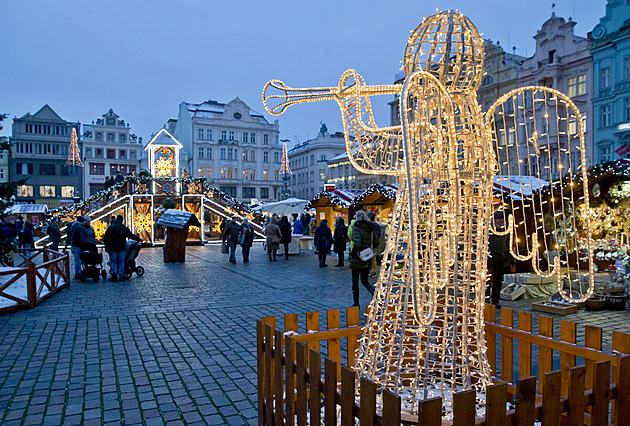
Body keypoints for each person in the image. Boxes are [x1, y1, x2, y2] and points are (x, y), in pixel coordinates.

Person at [349, 210, 378, 307]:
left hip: (357, 258)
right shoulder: (370, 229)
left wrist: (352, 253)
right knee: (365, 281)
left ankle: (356, 303)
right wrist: (368, 249)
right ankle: (376, 295)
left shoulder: (357, 228)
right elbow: (376, 242)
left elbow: (357, 244)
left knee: (355, 282)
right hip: (367, 258)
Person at [103, 215, 141, 281]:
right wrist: (139, 239)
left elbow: (106, 238)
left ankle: (114, 275)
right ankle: (121, 275)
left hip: (113, 247)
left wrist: (107, 246)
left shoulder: (111, 228)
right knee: (121, 262)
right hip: (122, 247)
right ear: (122, 220)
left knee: (113, 261)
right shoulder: (124, 228)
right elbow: (130, 235)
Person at [488, 211, 513, 308]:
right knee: (487, 279)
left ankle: (495, 299)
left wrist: (509, 255)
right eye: (498, 218)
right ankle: (485, 299)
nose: (500, 220)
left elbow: (508, 243)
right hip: (490, 257)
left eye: (502, 218)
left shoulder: (506, 229)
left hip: (501, 257)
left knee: (498, 280)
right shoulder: (489, 229)